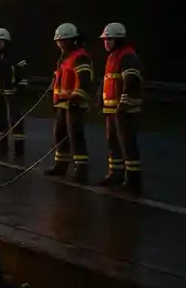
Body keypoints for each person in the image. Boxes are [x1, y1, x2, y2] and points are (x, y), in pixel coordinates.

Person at [44, 23, 94, 183]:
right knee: (60, 135)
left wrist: (76, 97)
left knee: (75, 136)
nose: (60, 45)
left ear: (72, 41)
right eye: (58, 42)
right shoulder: (64, 59)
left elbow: (85, 80)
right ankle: (61, 165)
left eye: (63, 41)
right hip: (62, 104)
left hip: (74, 104)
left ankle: (81, 170)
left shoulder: (80, 57)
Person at [98, 23, 144, 194]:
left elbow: (132, 80)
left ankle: (133, 180)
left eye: (109, 39)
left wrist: (124, 103)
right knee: (113, 142)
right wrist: (101, 100)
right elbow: (109, 80)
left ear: (118, 39)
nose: (106, 43)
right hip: (112, 109)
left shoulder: (127, 56)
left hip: (125, 109)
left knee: (127, 144)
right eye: (104, 39)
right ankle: (116, 174)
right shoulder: (113, 56)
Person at [0, 28, 29, 158]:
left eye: (1, 41)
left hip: (12, 93)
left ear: (6, 41)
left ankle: (19, 149)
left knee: (15, 120)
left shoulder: (15, 56)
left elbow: (23, 75)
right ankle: (1, 145)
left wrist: (19, 89)